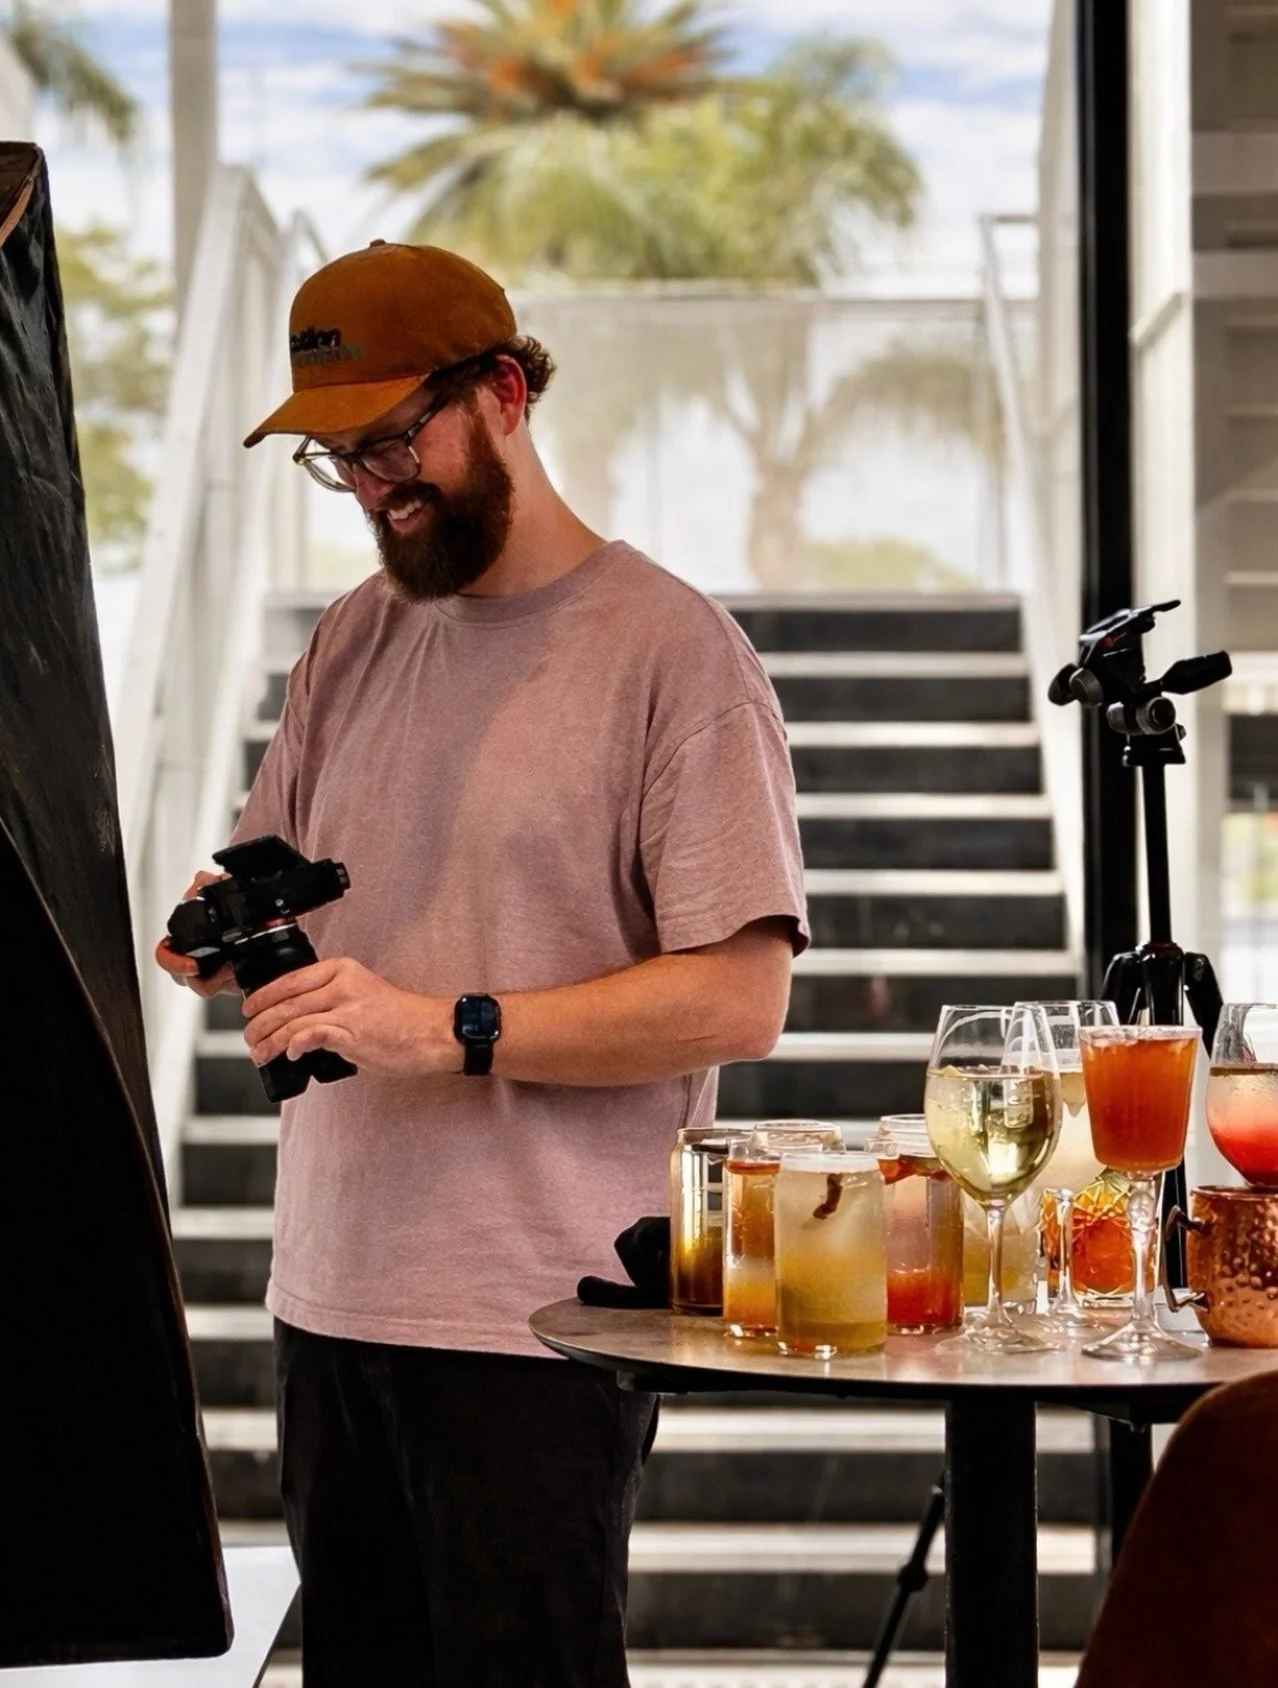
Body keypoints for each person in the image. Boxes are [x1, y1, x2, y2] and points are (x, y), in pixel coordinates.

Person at [155, 238, 809, 1686]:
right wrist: (224, 933)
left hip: (537, 1314)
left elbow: (738, 995)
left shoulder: (671, 654)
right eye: (339, 458)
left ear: (504, 392)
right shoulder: (353, 638)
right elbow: (279, 863)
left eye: (396, 440)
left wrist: (445, 1025)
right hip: (330, 1289)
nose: (375, 487)